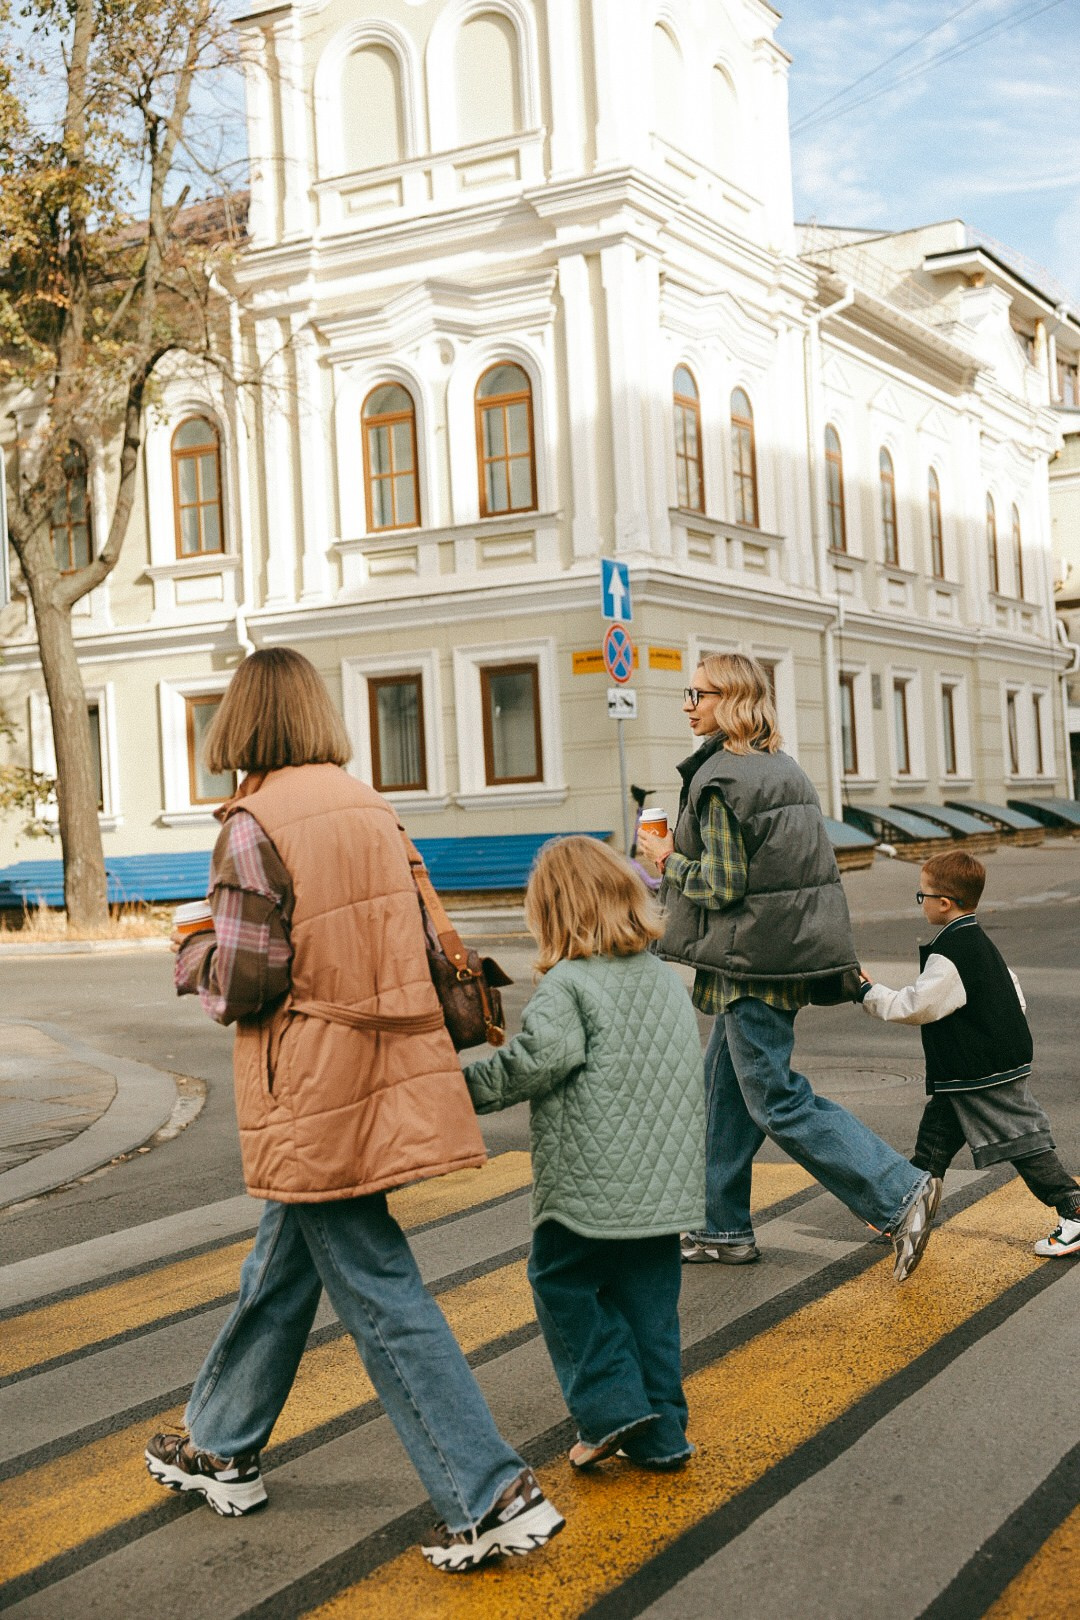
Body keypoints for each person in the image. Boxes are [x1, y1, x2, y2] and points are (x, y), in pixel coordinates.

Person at [144, 647, 564, 1574]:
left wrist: (192, 950)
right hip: (387, 1065)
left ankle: (490, 1494)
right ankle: (220, 1444)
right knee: (284, 1261)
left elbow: (248, 980)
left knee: (379, 1288)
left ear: (242, 723)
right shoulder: (370, 804)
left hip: (314, 1084)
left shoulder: (253, 824)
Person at [636, 651, 940, 1283]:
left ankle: (899, 1190)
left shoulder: (722, 781)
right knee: (723, 1097)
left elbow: (720, 885)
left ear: (732, 701)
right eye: (687, 694)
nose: (688, 706)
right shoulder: (782, 768)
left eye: (699, 695)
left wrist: (664, 858)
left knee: (774, 1099)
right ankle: (720, 1227)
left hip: (752, 963)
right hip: (778, 952)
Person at [463, 837, 706, 1471]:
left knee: (561, 1281)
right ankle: (663, 1437)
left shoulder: (568, 984)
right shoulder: (663, 977)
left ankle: (611, 1408)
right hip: (664, 1185)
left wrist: (457, 1091)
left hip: (590, 1184)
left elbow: (534, 1063)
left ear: (553, 912)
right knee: (650, 1311)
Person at [857, 849, 1080, 1257]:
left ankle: (1074, 1209)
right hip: (970, 1069)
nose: (921, 902)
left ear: (944, 902)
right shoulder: (976, 939)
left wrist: (866, 993)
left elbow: (917, 1005)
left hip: (978, 1071)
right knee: (934, 1145)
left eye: (922, 895)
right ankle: (905, 1212)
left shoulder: (952, 951)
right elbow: (1013, 993)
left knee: (1021, 1140)